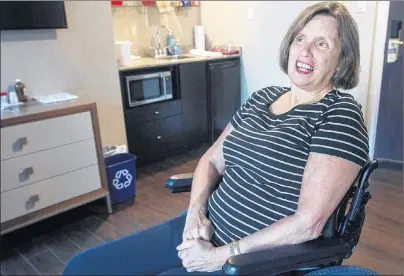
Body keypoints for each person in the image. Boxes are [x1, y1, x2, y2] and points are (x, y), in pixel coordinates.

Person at [63, 1, 369, 275]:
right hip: (199, 231)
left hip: (247, 261)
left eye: (321, 44)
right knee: (83, 267)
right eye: (300, 39)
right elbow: (211, 159)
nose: (304, 51)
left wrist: (220, 256)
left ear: (342, 60)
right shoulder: (263, 97)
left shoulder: (340, 115)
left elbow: (308, 223)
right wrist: (194, 217)